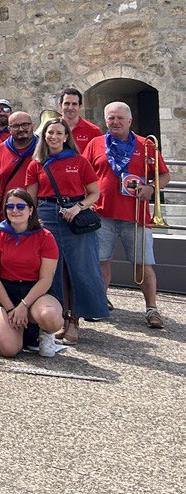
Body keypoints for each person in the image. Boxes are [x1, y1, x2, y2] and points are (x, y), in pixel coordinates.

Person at [85, 101, 170, 330]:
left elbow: (164, 175)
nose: (115, 122)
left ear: (130, 121)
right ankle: (100, 304)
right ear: (105, 121)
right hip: (102, 214)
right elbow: (85, 175)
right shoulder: (95, 144)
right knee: (101, 262)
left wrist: (151, 188)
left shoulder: (146, 145)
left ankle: (151, 308)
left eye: (120, 118)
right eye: (111, 118)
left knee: (144, 264)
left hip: (136, 216)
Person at [26, 117, 107, 345]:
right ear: (44, 136)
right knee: (53, 271)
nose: (54, 137)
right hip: (47, 215)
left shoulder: (79, 161)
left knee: (79, 270)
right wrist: (33, 223)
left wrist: (77, 207)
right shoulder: (36, 164)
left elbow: (94, 193)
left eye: (59, 133)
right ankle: (56, 319)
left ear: (66, 137)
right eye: (50, 133)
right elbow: (31, 198)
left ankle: (74, 320)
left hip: (75, 216)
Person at [0, 189, 64, 357]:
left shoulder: (46, 237)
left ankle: (44, 333)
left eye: (21, 206)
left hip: (35, 291)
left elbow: (45, 279)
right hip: (4, 291)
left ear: (31, 210)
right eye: (10, 206)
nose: (15, 210)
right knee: (8, 349)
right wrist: (11, 308)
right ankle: (22, 332)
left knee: (51, 318)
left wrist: (23, 306)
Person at [0, 111, 37, 212]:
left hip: (36, 214)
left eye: (25, 125)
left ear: (32, 125)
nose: (21, 129)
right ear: (9, 129)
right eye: (16, 126)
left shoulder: (43, 150)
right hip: (6, 213)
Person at [60, 87, 103, 153]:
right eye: (67, 103)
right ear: (60, 105)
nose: (70, 107)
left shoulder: (93, 131)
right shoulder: (50, 129)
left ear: (80, 106)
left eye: (74, 104)